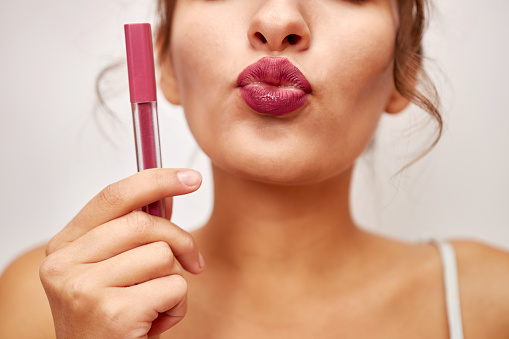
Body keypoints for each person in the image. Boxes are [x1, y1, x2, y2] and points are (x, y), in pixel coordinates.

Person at [1, 0, 508, 338]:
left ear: (405, 69)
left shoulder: (492, 302)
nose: (278, 19)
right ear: (165, 62)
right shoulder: (47, 303)